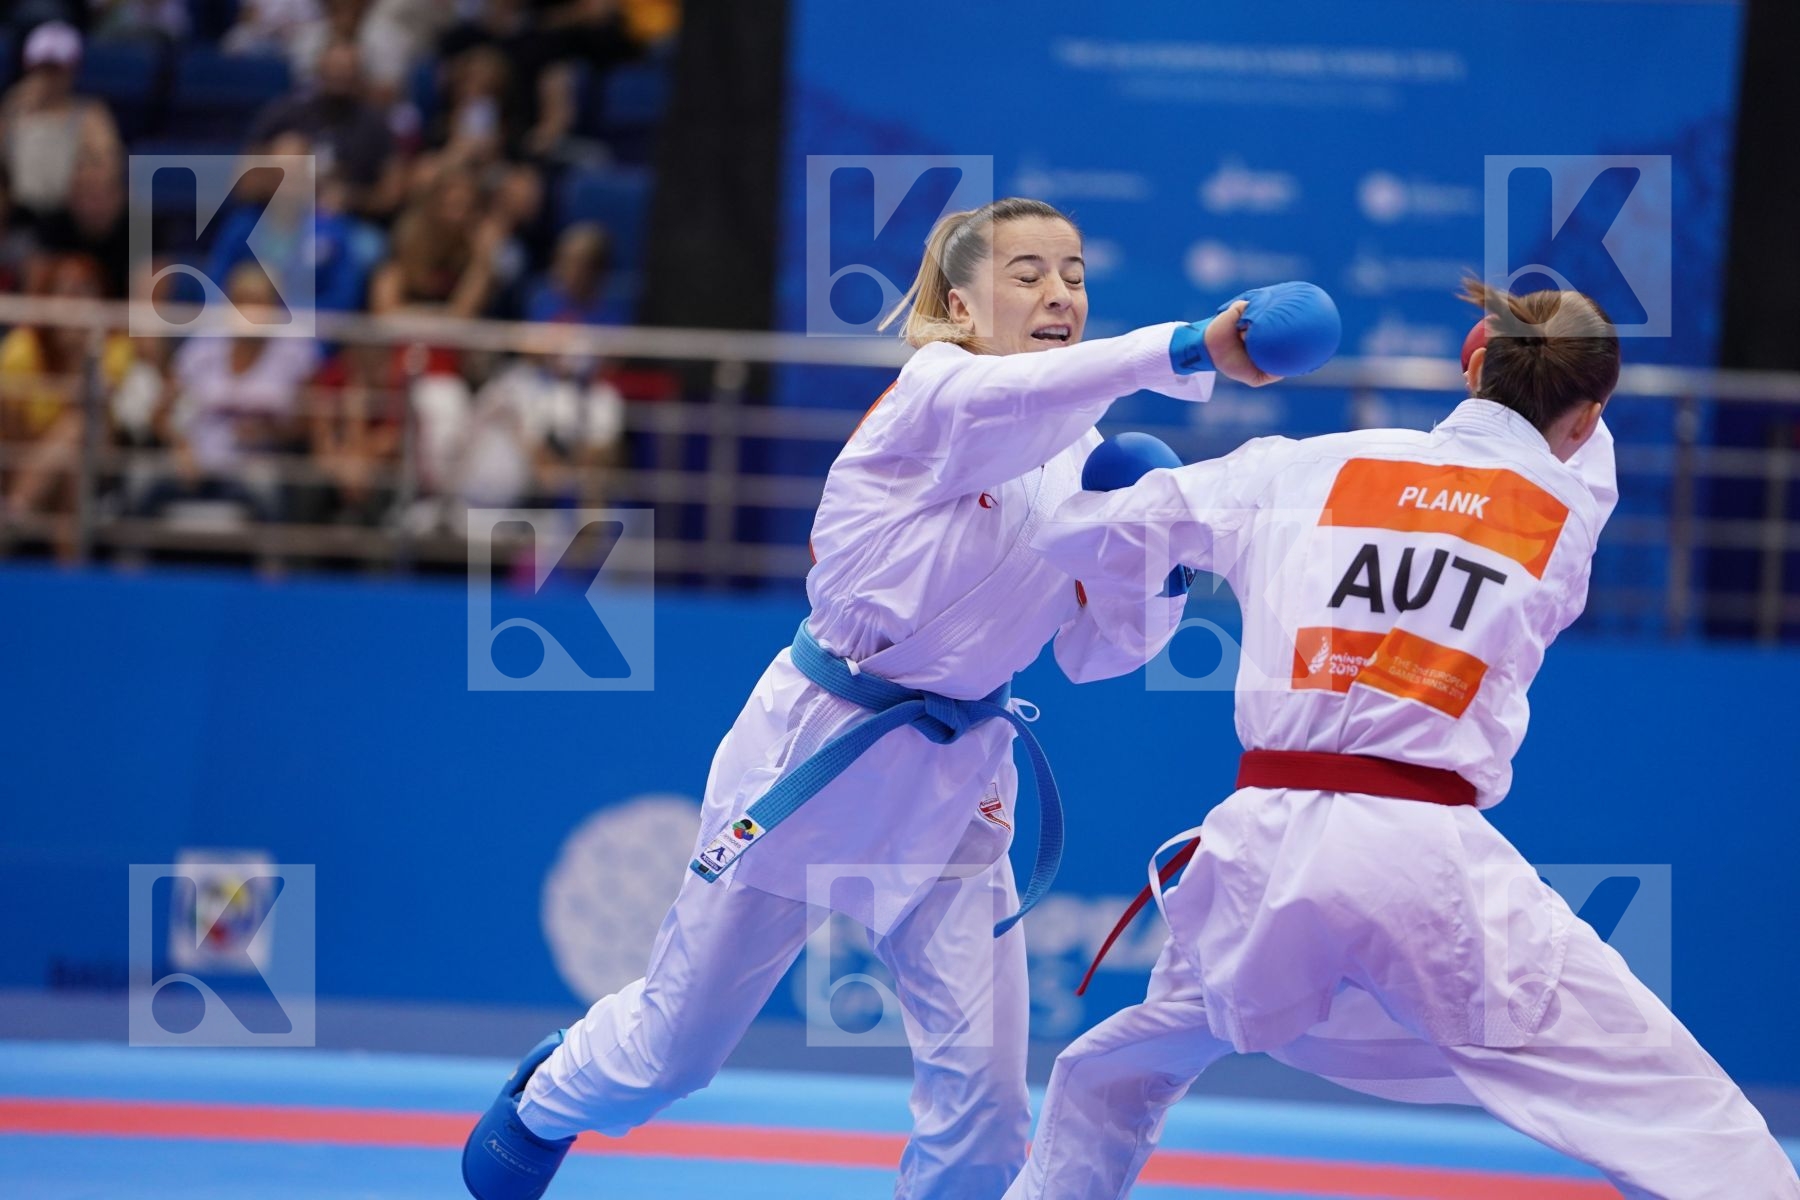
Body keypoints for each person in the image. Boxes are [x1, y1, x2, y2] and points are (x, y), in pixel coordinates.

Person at [461, 196, 1338, 1200]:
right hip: (817, 750)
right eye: (1028, 274)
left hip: (961, 778)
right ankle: (548, 1097)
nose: (1061, 293)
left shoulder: (1089, 458)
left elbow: (1101, 655)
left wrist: (1156, 565)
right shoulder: (935, 392)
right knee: (672, 1055)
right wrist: (1188, 344)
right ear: (961, 304)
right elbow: (1015, 403)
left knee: (991, 1109)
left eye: (1075, 274)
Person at [1003, 283, 1800, 1200]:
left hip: (1260, 852)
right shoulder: (1565, 512)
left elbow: (1089, 532)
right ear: (1587, 420)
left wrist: (1138, 531)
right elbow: (1569, 423)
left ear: (1468, 369)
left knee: (1121, 1070)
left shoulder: (1300, 467)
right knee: (1678, 1114)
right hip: (1424, 867)